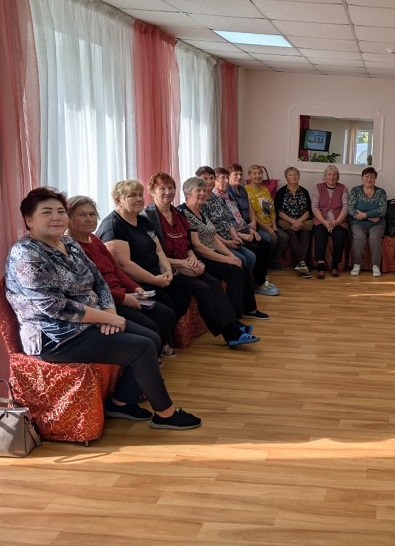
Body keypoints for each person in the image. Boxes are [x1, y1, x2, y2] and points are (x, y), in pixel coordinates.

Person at [6, 187, 201, 430]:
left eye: (60, 211)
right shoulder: (26, 254)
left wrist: (109, 313)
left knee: (152, 335)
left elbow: (99, 280)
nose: (56, 217)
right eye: (47, 212)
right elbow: (55, 307)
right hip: (56, 336)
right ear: (29, 220)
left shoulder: (68, 243)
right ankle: (166, 414)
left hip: (92, 320)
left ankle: (121, 403)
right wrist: (105, 318)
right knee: (142, 347)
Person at [97, 178, 258, 348]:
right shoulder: (122, 223)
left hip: (166, 269)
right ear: (118, 200)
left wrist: (179, 266)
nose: (138, 199)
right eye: (132, 196)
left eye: (139, 195)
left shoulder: (145, 220)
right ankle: (230, 332)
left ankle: (232, 327)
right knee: (199, 288)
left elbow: (161, 250)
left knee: (210, 282)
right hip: (143, 278)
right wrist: (167, 272)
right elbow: (123, 265)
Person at [67, 195, 178, 358]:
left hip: (122, 292)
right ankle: (149, 357)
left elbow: (116, 269)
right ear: (68, 218)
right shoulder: (70, 247)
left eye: (92, 214)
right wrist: (123, 297)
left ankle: (156, 352)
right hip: (105, 301)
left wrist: (135, 287)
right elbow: (92, 287)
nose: (89, 219)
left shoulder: (94, 240)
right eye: (82, 215)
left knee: (166, 314)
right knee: (151, 326)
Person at [178, 176, 269, 321]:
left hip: (211, 251)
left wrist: (232, 256)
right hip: (199, 257)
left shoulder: (200, 211)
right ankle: (234, 318)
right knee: (235, 272)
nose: (203, 193)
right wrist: (227, 259)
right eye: (198, 190)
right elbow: (197, 246)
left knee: (242, 265)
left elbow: (213, 237)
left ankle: (250, 309)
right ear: (187, 194)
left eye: (204, 190)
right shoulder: (183, 213)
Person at [196, 165, 278, 297]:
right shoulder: (200, 202)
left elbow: (229, 220)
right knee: (249, 256)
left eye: (211, 178)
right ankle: (249, 286)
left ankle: (255, 283)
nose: (209, 181)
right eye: (206, 179)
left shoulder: (220, 198)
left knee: (263, 245)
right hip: (220, 240)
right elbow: (210, 231)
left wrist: (238, 235)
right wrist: (235, 238)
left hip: (234, 233)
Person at [245, 164, 289, 268]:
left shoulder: (265, 190)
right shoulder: (246, 190)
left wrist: (274, 226)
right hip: (258, 225)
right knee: (271, 239)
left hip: (269, 223)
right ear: (250, 176)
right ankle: (263, 263)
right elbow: (251, 213)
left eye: (260, 173)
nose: (257, 176)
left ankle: (271, 260)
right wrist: (268, 229)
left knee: (284, 237)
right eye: (254, 173)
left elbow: (271, 210)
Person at [274, 166, 313, 278]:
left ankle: (301, 264)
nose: (293, 176)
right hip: (287, 222)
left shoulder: (304, 191)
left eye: (295, 174)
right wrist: (293, 222)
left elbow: (309, 211)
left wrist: (299, 221)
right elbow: (278, 211)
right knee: (292, 234)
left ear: (299, 176)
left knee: (306, 234)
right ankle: (303, 265)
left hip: (302, 222)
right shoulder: (281, 192)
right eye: (290, 175)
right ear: (286, 177)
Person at [311, 164, 349, 278]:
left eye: (334, 175)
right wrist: (324, 222)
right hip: (321, 220)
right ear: (325, 176)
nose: (332, 177)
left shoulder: (343, 188)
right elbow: (314, 207)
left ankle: (334, 266)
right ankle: (320, 267)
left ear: (337, 176)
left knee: (340, 236)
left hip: (339, 221)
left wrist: (336, 222)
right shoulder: (318, 187)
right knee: (320, 234)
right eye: (329, 174)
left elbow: (346, 208)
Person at [348, 166, 387, 277]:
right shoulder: (355, 191)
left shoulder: (381, 192)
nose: (369, 179)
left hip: (377, 224)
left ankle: (376, 266)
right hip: (358, 223)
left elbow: (382, 210)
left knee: (374, 238)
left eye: (372, 177)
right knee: (359, 237)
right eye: (366, 176)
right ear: (362, 178)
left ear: (375, 179)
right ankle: (356, 265)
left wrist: (364, 215)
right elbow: (351, 209)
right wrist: (370, 216)